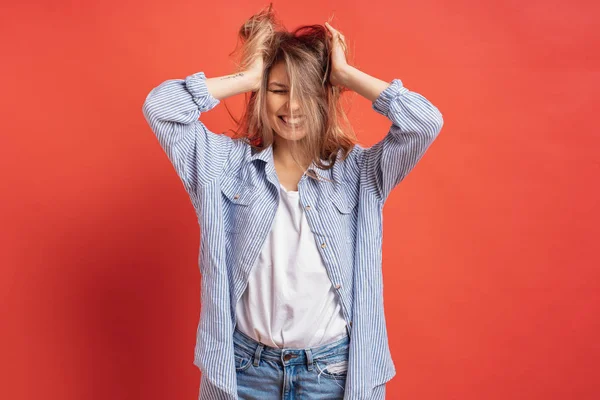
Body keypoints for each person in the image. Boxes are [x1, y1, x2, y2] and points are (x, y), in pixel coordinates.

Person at [142, 5, 443, 400]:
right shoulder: (222, 166)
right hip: (245, 370)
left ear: (327, 96)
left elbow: (425, 122)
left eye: (307, 93)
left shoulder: (359, 173)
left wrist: (345, 75)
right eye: (279, 90)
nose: (292, 107)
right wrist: (249, 76)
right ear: (262, 94)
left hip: (332, 372)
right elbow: (161, 109)